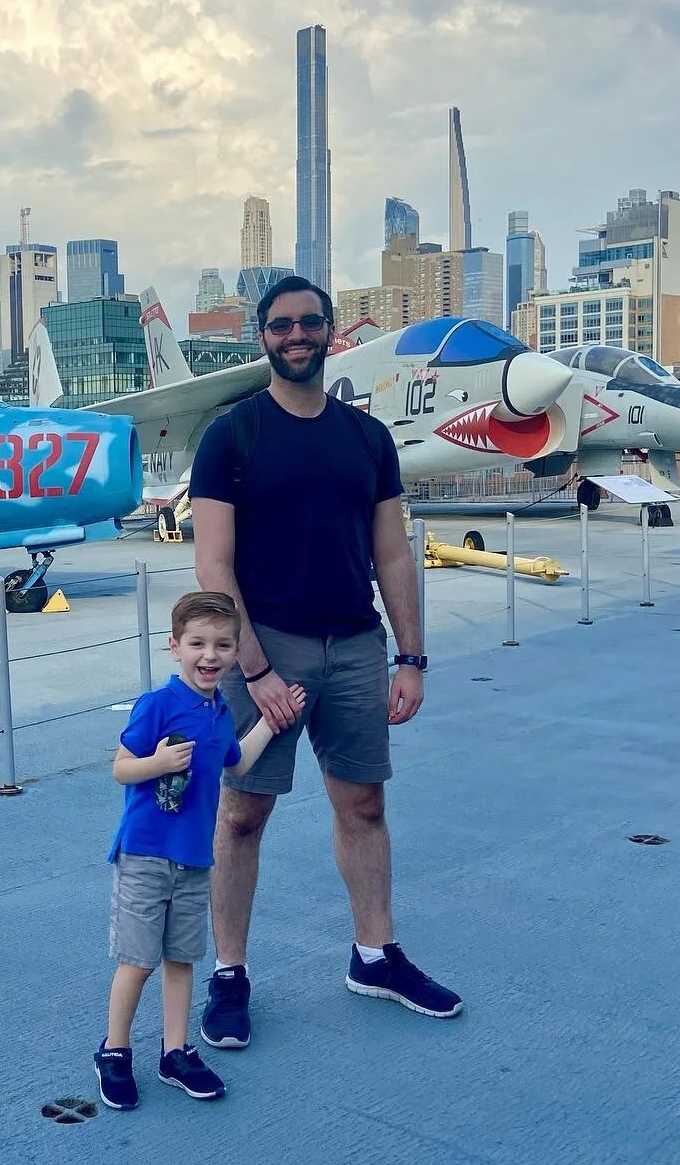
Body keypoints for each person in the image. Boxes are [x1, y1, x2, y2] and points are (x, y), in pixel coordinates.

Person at [188, 274, 462, 1054]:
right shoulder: (232, 436)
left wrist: (409, 656)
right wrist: (257, 670)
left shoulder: (366, 439)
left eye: (310, 323)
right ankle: (231, 974)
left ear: (330, 332)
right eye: (281, 325)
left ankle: (375, 955)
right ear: (262, 336)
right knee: (242, 813)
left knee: (364, 806)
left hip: (354, 647)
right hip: (266, 646)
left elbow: (391, 557)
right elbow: (215, 565)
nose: (296, 335)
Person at [94, 591, 305, 1111]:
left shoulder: (218, 711)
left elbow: (235, 763)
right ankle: (115, 1051)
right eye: (197, 644)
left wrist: (271, 723)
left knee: (182, 959)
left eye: (221, 645)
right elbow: (121, 767)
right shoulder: (157, 706)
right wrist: (158, 763)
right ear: (174, 647)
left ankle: (175, 1051)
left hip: (193, 860)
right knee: (138, 961)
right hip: (144, 855)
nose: (209, 656)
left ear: (235, 653)